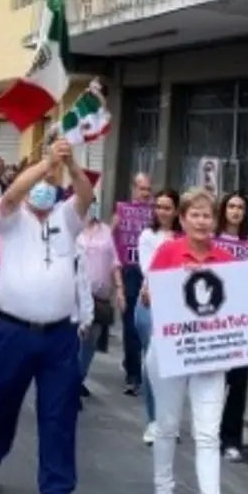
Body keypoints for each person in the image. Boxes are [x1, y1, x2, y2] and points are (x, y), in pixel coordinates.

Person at [0, 138, 94, 494]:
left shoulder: (66, 218)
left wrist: (70, 165)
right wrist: (45, 164)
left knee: (60, 412)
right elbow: (11, 194)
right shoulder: (9, 220)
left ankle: (55, 491)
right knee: (4, 401)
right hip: (14, 332)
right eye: (38, 184)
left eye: (49, 184)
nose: (42, 190)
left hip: (59, 335)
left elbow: (86, 196)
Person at [146, 188, 234, 494]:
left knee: (209, 434)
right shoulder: (168, 252)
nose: (201, 221)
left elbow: (239, 310)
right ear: (182, 219)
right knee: (166, 426)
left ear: (215, 221)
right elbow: (150, 295)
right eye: (194, 215)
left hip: (211, 354)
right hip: (170, 350)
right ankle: (163, 493)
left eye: (207, 215)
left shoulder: (226, 260)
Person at [214, 191, 248, 461]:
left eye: (240, 207)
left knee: (238, 383)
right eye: (231, 206)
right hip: (215, 320)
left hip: (244, 322)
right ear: (223, 210)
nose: (235, 211)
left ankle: (231, 438)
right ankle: (210, 433)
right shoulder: (211, 240)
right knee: (213, 381)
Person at [134, 188, 180, 443]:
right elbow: (148, 267)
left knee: (173, 366)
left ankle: (168, 419)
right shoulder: (148, 235)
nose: (162, 211)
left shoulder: (185, 237)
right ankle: (153, 420)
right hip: (151, 302)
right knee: (151, 362)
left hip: (177, 306)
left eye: (167, 207)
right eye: (158, 207)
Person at [77, 200, 123, 398]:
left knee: (90, 340)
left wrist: (119, 288)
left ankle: (78, 377)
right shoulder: (72, 228)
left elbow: (114, 261)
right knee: (74, 339)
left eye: (95, 204)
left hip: (99, 296)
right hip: (75, 295)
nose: (91, 209)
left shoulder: (105, 231)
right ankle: (68, 378)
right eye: (88, 204)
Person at [118, 172, 153, 396]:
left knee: (147, 324)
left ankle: (146, 369)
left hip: (150, 274)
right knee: (131, 325)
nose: (145, 194)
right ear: (133, 189)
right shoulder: (123, 213)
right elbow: (112, 241)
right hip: (130, 271)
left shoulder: (155, 215)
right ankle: (133, 375)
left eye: (148, 190)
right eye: (142, 189)